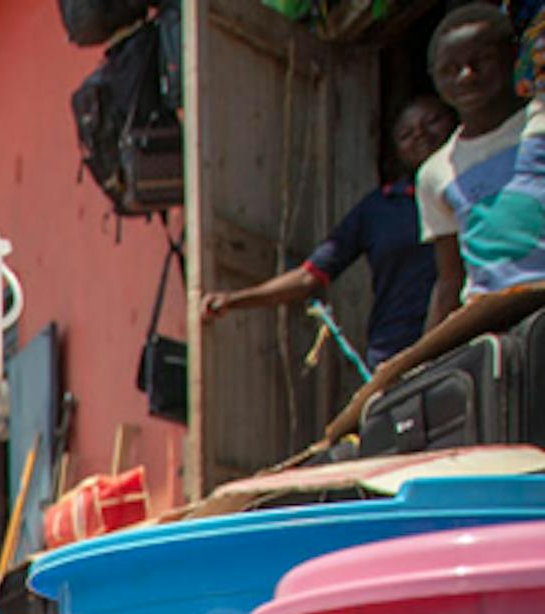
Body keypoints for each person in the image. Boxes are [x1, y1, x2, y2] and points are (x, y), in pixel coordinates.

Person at [204, 94, 458, 368]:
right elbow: (308, 277)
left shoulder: (476, 188)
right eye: (406, 133)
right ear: (395, 149)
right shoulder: (377, 209)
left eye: (432, 121)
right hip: (396, 354)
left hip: (464, 337)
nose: (420, 135)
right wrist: (234, 300)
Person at [420, 2, 545, 326]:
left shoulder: (540, 123)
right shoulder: (436, 173)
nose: (466, 76)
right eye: (450, 69)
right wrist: (418, 367)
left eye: (482, 61)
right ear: (434, 78)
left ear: (513, 55)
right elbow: (450, 280)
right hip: (492, 325)